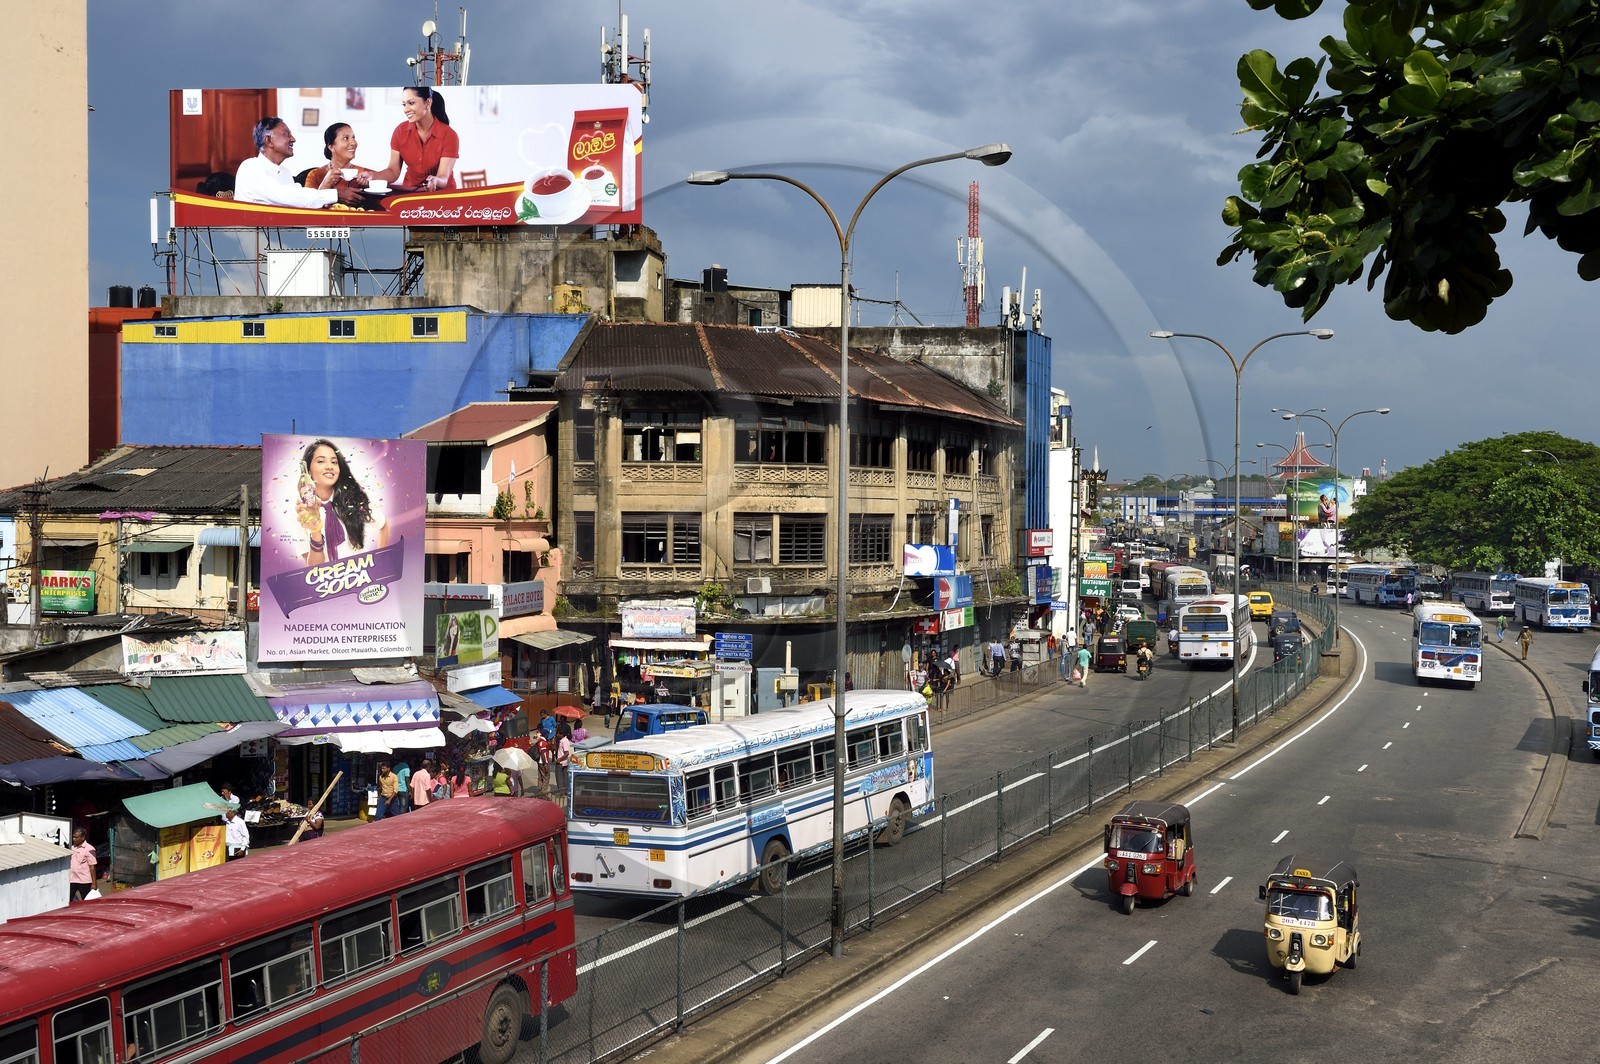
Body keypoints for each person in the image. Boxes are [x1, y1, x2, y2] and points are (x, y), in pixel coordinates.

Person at [294, 438, 389, 565]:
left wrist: (380, 562)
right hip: (329, 582)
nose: (329, 467)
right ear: (308, 470)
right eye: (321, 461)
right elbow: (313, 568)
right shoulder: (301, 512)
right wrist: (315, 531)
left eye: (334, 462)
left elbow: (383, 524)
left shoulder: (353, 499)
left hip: (362, 579)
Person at [234, 117, 365, 209]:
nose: (293, 139)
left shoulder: (284, 172)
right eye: (286, 134)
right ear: (268, 141)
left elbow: (303, 204)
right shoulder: (250, 168)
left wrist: (327, 186)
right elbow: (287, 197)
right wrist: (336, 195)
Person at [368, 85, 459, 192]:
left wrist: (435, 180)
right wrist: (372, 176)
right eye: (404, 104)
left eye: (411, 103)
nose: (406, 110)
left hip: (440, 196)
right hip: (410, 193)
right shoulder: (400, 131)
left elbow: (443, 178)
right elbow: (393, 172)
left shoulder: (449, 135)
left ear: (428, 103)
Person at [300, 122, 378, 200]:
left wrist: (371, 188)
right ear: (331, 147)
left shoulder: (366, 175)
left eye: (353, 137)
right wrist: (325, 186)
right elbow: (308, 206)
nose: (354, 143)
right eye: (345, 138)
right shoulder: (316, 175)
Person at [68, 828, 98, 902]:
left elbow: (92, 866)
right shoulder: (71, 848)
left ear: (83, 837)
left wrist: (94, 883)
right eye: (73, 837)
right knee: (68, 900)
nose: (74, 839)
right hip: (72, 879)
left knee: (86, 901)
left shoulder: (89, 849)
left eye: (76, 837)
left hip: (84, 881)